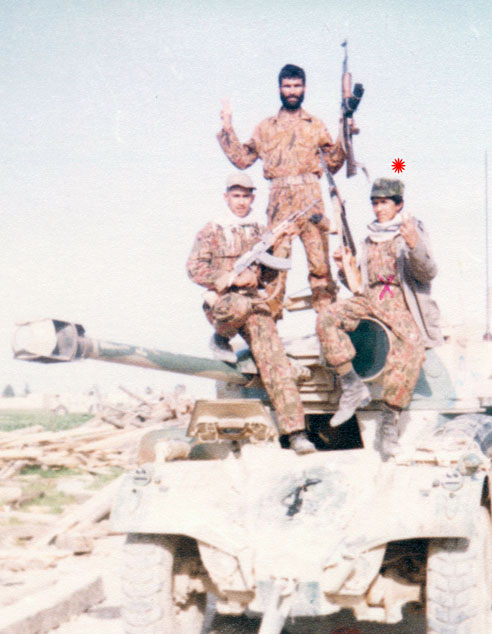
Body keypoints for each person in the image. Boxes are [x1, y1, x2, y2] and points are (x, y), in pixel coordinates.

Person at [186, 172, 316, 455]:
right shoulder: (213, 230)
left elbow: (270, 273)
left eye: (246, 196)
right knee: (238, 305)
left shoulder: (260, 231)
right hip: (224, 304)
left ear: (252, 199)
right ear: (226, 198)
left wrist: (283, 243)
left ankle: (296, 433)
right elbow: (194, 268)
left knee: (276, 360)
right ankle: (221, 336)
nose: (241, 202)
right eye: (236, 196)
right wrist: (230, 277)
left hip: (254, 303)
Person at [316, 178, 443, 455]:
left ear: (399, 204)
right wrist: (344, 267)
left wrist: (414, 245)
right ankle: (352, 386)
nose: (378, 209)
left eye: (384, 202)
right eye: (374, 203)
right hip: (370, 299)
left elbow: (428, 272)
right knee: (328, 317)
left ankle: (390, 419)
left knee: (411, 344)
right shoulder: (369, 238)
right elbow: (359, 283)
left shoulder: (411, 231)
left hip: (397, 301)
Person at [218, 63, 347, 314]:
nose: (292, 91)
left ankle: (328, 322)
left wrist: (345, 134)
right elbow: (243, 159)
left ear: (304, 88)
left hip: (310, 199)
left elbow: (333, 163)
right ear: (279, 89)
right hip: (279, 201)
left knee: (320, 267)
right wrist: (227, 127)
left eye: (297, 86)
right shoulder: (266, 127)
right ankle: (270, 322)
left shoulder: (315, 124)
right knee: (275, 267)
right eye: (287, 86)